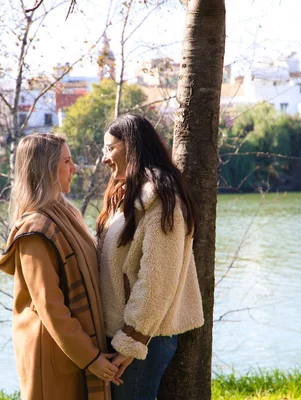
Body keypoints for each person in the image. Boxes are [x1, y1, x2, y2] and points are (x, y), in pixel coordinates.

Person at [0, 133, 117, 400]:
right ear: (46, 169)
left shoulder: (66, 213)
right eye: (67, 161)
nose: (74, 168)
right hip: (51, 357)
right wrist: (91, 357)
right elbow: (50, 306)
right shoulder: (34, 230)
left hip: (73, 350)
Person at [96, 114, 204, 400]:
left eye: (109, 148)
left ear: (131, 146)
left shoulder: (161, 200)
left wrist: (132, 340)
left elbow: (158, 278)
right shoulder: (126, 196)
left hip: (146, 337)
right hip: (128, 334)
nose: (104, 159)